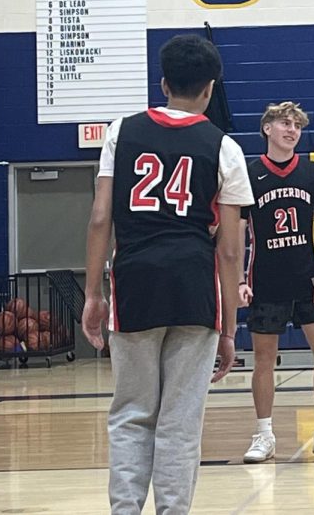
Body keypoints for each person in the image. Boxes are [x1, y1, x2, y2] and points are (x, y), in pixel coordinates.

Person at [82, 34, 252, 514]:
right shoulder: (225, 147)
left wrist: (93, 293)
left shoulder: (121, 131)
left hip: (135, 282)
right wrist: (230, 326)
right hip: (194, 287)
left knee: (132, 414)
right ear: (210, 88)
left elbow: (100, 218)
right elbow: (231, 249)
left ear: (163, 83)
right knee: (180, 419)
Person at [239, 102, 314, 463]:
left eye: (297, 126)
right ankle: (264, 435)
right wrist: (240, 278)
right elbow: (239, 229)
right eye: (284, 123)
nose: (291, 130)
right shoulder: (249, 172)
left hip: (307, 278)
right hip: (265, 280)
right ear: (267, 129)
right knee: (263, 359)